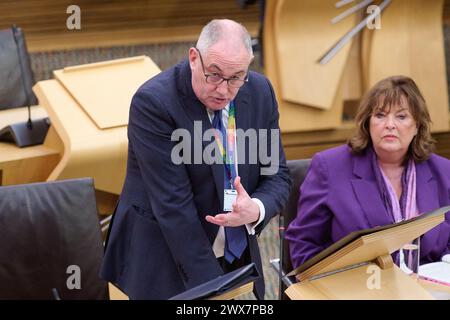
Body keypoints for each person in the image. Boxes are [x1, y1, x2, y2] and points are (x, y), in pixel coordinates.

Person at [100, 19, 291, 299]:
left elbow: (278, 175)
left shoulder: (261, 92)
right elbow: (175, 208)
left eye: (236, 77)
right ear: (193, 58)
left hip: (234, 249)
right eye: (214, 75)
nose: (224, 90)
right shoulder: (153, 104)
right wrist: (216, 292)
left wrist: (257, 209)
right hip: (164, 255)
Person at [285, 75, 450, 269]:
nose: (390, 124)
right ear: (367, 123)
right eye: (380, 115)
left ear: (417, 126)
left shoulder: (443, 171)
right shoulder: (330, 167)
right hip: (355, 285)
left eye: (401, 116)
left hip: (427, 287)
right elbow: (304, 244)